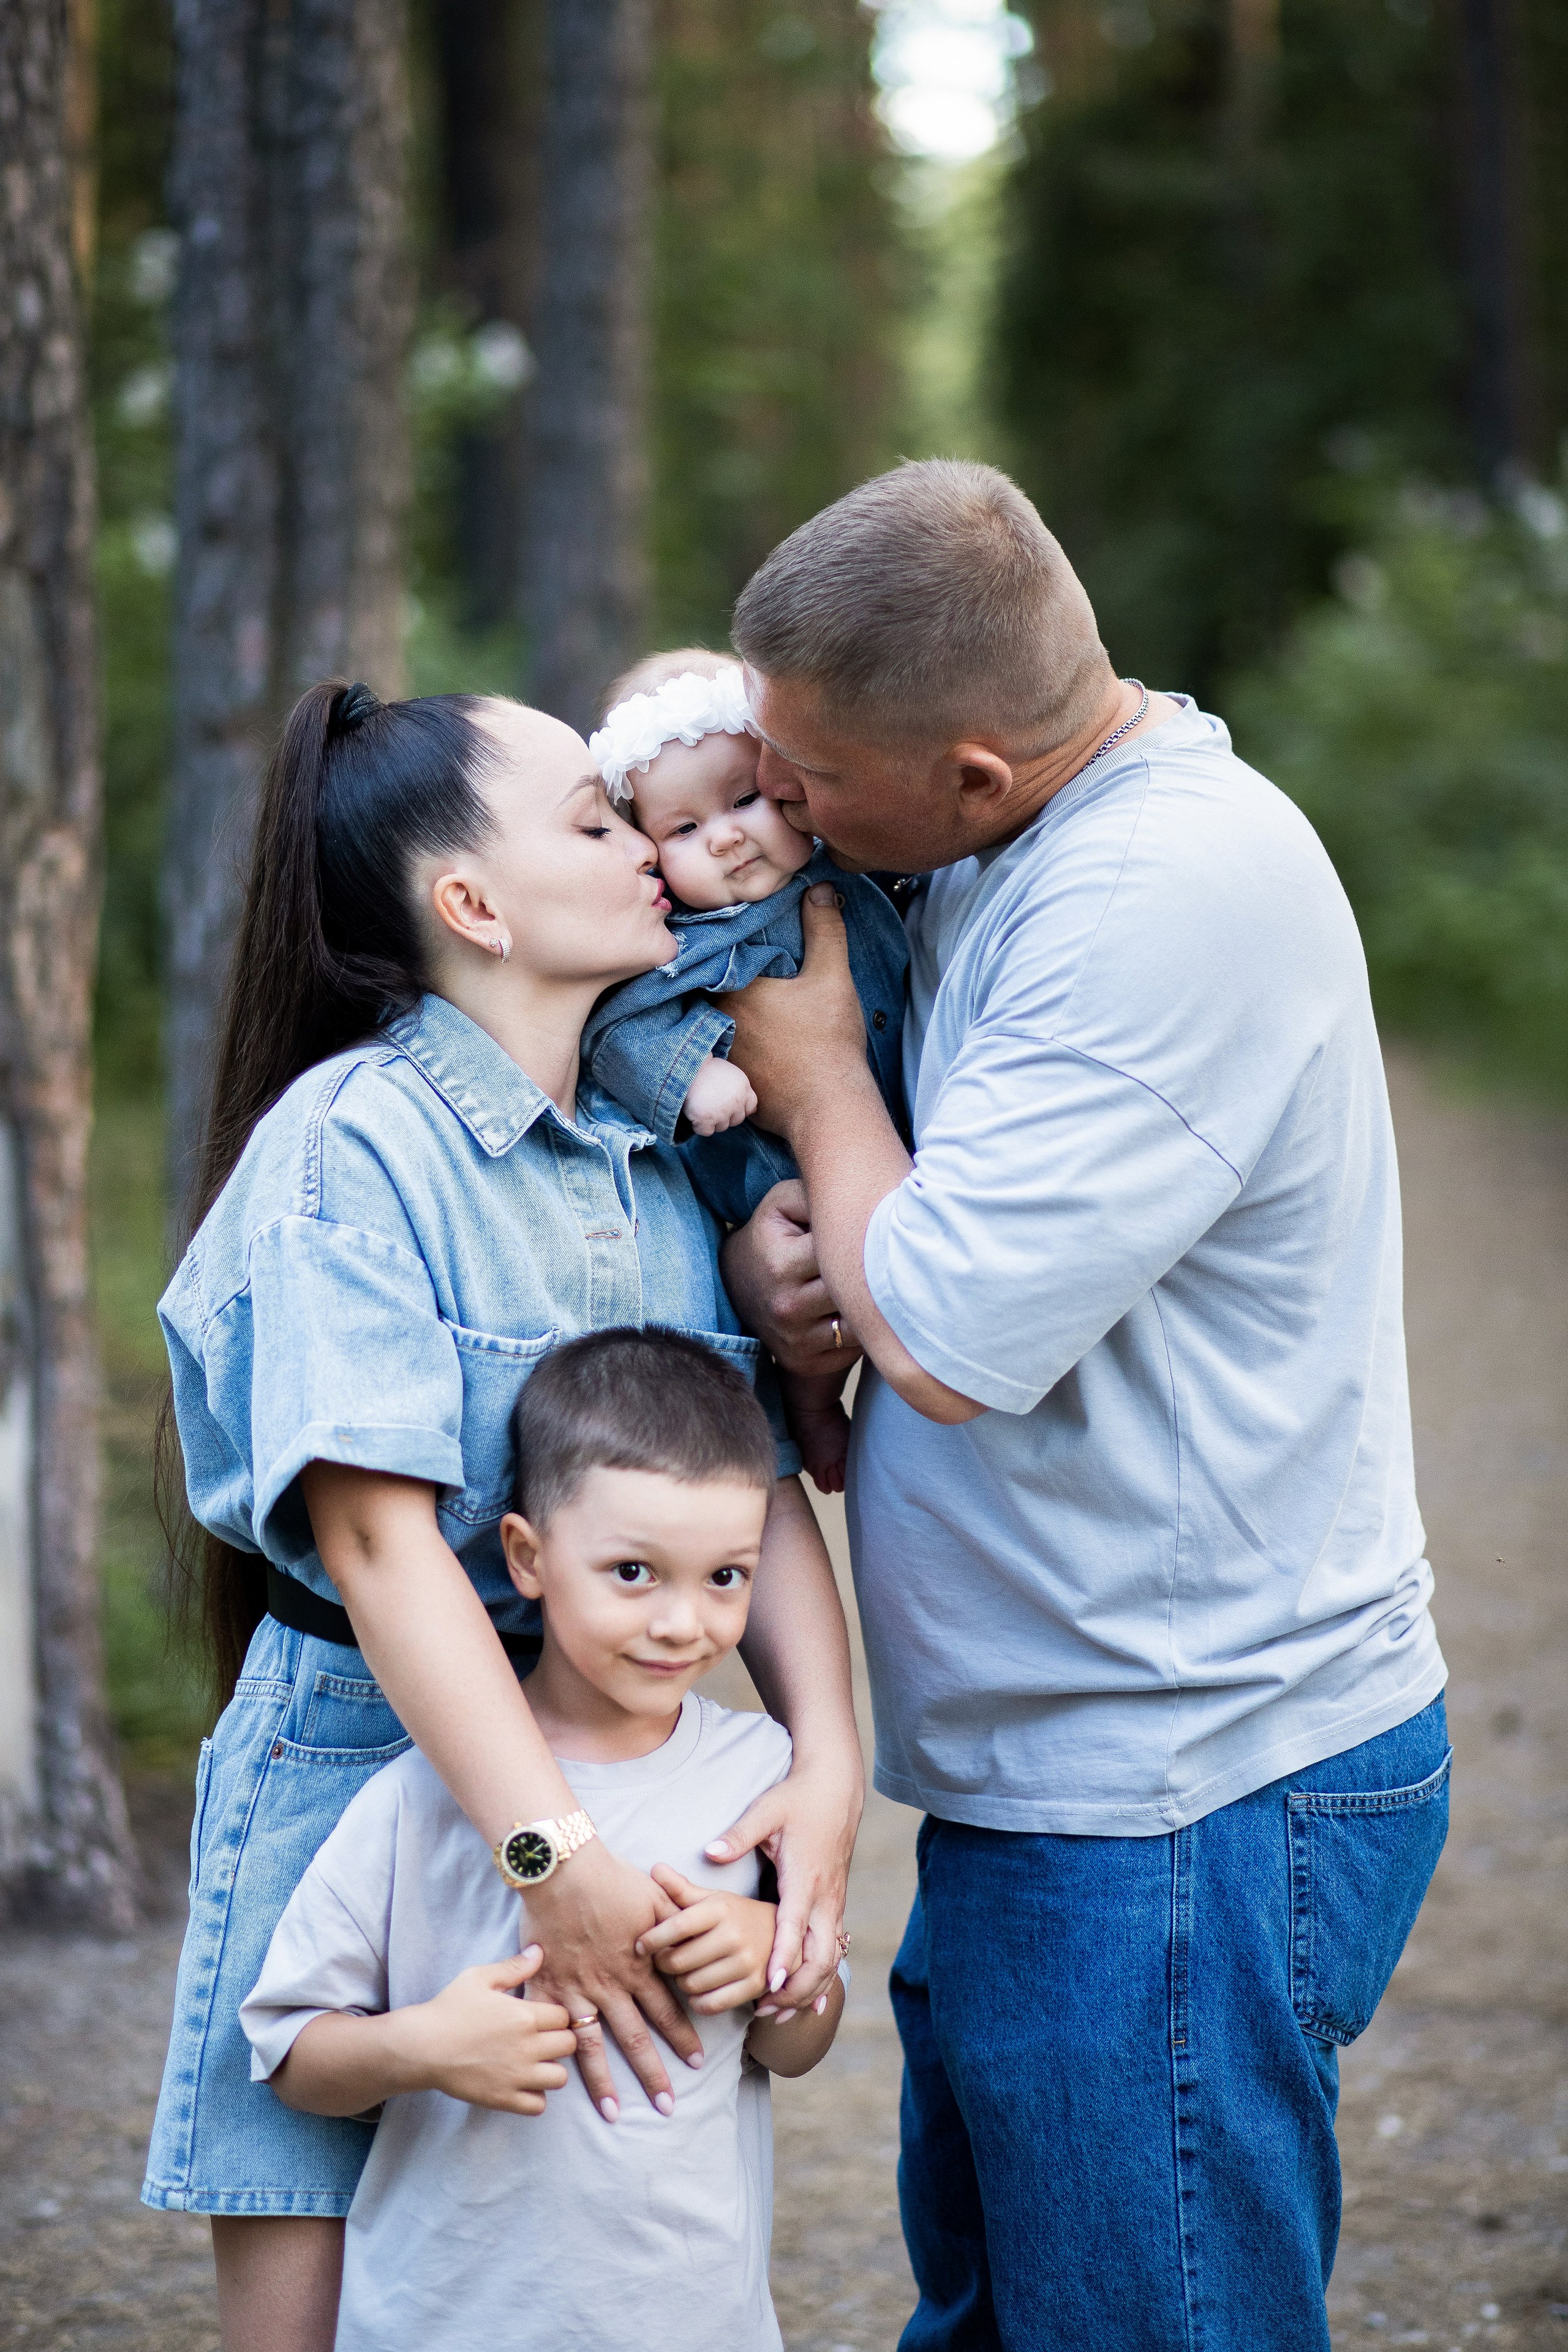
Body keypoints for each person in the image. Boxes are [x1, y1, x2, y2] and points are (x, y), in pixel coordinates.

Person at [717, 459, 1452, 2352]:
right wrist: (804, 1261)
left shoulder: (1165, 890)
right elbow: (927, 1233)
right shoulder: (1001, 846)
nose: (779, 809)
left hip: (1183, 1787)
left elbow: (950, 1329)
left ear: (973, 767)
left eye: (808, 780)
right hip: (1068, 1769)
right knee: (1008, 2316)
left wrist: (811, 1087)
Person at [143, 679, 862, 2352]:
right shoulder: (350, 1155)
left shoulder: (656, 1158)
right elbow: (385, 1549)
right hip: (356, 1768)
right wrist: (550, 1854)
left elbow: (746, 1477)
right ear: (472, 905)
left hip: (613, 1734)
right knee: (319, 2307)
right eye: (599, 821)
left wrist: (825, 1763)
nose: (647, 843)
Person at [239, 1329, 843, 2352]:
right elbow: (291, 2054)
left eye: (727, 1578)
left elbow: (798, 2046)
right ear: (528, 1556)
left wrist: (778, 1967)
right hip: (446, 2322)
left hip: (690, 2322)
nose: (683, 1623)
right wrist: (419, 2047)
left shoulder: (759, 1781)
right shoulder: (425, 1796)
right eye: (634, 1572)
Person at [579, 646, 908, 1493]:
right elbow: (618, 1029)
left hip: (890, 1131)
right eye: (684, 830)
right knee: (811, 1280)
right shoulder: (680, 947)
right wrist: (692, 1076)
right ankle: (808, 1407)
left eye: (746, 799)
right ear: (649, 853)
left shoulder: (848, 869)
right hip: (771, 1172)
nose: (725, 837)